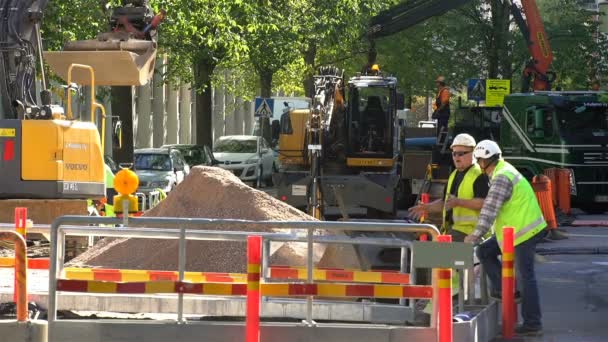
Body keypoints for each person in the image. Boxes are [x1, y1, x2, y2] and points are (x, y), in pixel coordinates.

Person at [464, 140, 547, 337]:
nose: (478, 164)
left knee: (526, 276)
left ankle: (533, 323)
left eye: (480, 160)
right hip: (512, 233)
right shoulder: (502, 169)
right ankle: (506, 290)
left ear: (486, 160)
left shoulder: (502, 176)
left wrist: (475, 235)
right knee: (484, 251)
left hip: (524, 233)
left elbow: (490, 209)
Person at [408, 133, 489, 242]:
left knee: (436, 254)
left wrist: (458, 202)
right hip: (454, 231)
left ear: (473, 153)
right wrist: (426, 207)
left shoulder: (479, 175)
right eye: (454, 154)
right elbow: (445, 203)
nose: (456, 158)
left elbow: (484, 203)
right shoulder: (454, 175)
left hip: (472, 233)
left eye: (461, 154)